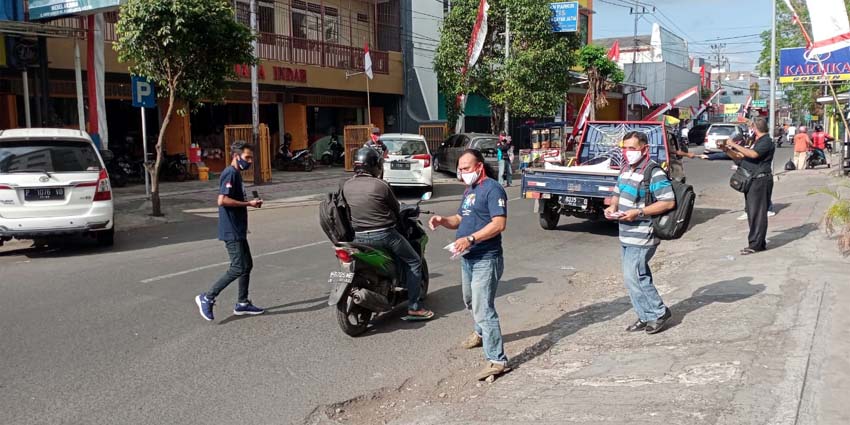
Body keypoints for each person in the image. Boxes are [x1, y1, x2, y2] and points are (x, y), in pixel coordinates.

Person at [429, 149, 510, 381]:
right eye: (460, 168)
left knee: (484, 308)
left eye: (465, 168)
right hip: (467, 257)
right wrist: (443, 220)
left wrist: (471, 239)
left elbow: (499, 224)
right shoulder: (470, 191)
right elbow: (460, 219)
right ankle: (480, 332)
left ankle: (497, 360)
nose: (461, 172)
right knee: (470, 300)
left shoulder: (493, 189)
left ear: (479, 167)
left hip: (486, 257)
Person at [344, 148, 434, 320]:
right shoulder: (381, 185)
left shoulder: (346, 185)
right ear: (375, 165)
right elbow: (397, 210)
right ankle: (415, 307)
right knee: (414, 261)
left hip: (358, 237)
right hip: (384, 235)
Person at [604, 131, 676, 334]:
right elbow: (617, 192)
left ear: (645, 149)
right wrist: (612, 207)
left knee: (635, 276)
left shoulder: (654, 172)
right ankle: (645, 316)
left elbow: (668, 201)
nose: (627, 153)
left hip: (643, 233)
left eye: (632, 148)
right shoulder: (626, 168)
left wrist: (639, 211)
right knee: (632, 277)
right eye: (625, 148)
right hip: (625, 232)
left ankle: (658, 312)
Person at [195, 142, 265, 321]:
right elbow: (222, 200)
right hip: (231, 229)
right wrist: (248, 204)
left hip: (239, 228)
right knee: (238, 267)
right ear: (236, 156)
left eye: (251, 158)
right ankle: (208, 297)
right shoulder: (230, 173)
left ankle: (242, 303)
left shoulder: (237, 175)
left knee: (247, 265)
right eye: (247, 157)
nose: (249, 161)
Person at [726, 117, 775, 255]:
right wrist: (726, 149)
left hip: (760, 181)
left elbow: (753, 154)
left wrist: (734, 144)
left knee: (757, 213)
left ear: (754, 128)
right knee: (752, 212)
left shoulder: (766, 141)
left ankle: (756, 244)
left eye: (751, 128)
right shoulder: (757, 141)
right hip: (752, 180)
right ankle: (757, 241)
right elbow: (741, 157)